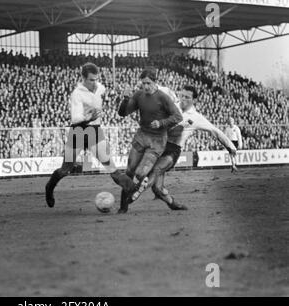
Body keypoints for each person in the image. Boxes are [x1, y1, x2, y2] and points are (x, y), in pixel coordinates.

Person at [129, 85, 238, 211]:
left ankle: (137, 190)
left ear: (194, 100)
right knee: (157, 188)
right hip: (159, 145)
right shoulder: (172, 105)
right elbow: (159, 89)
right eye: (182, 96)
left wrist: (231, 147)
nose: (183, 99)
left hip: (173, 150)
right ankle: (174, 204)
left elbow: (215, 131)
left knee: (157, 169)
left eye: (187, 97)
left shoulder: (196, 117)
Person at [45, 62, 131, 208]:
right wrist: (88, 118)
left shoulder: (100, 88)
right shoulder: (77, 94)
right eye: (91, 80)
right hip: (79, 130)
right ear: (83, 78)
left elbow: (108, 95)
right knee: (65, 169)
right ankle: (49, 187)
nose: (94, 83)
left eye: (95, 79)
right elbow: (75, 118)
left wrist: (124, 97)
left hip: (94, 131)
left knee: (111, 167)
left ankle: (132, 189)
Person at [116, 67, 183, 213]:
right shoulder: (139, 95)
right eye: (143, 83)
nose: (145, 86)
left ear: (154, 82)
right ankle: (123, 207)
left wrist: (161, 123)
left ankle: (132, 195)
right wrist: (125, 99)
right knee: (129, 171)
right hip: (142, 136)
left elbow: (178, 117)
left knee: (140, 173)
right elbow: (122, 113)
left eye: (148, 83)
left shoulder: (163, 97)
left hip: (157, 141)